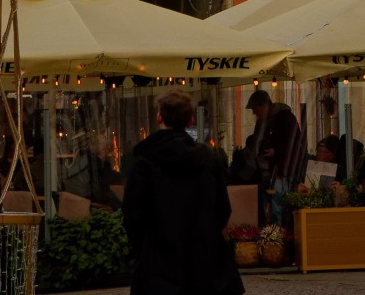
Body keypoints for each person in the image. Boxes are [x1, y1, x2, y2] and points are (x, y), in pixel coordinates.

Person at [120, 92, 235, 295]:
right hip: (203, 263)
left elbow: (132, 214)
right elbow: (222, 209)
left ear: (159, 117)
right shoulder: (207, 159)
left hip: (159, 262)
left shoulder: (145, 161)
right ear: (190, 119)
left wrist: (145, 249)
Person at [236, 93, 299, 196]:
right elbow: (257, 141)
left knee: (278, 204)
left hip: (280, 172)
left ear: (264, 106)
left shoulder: (285, 118)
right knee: (271, 204)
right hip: (266, 172)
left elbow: (293, 142)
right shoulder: (261, 122)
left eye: (255, 109)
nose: (254, 113)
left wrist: (276, 151)